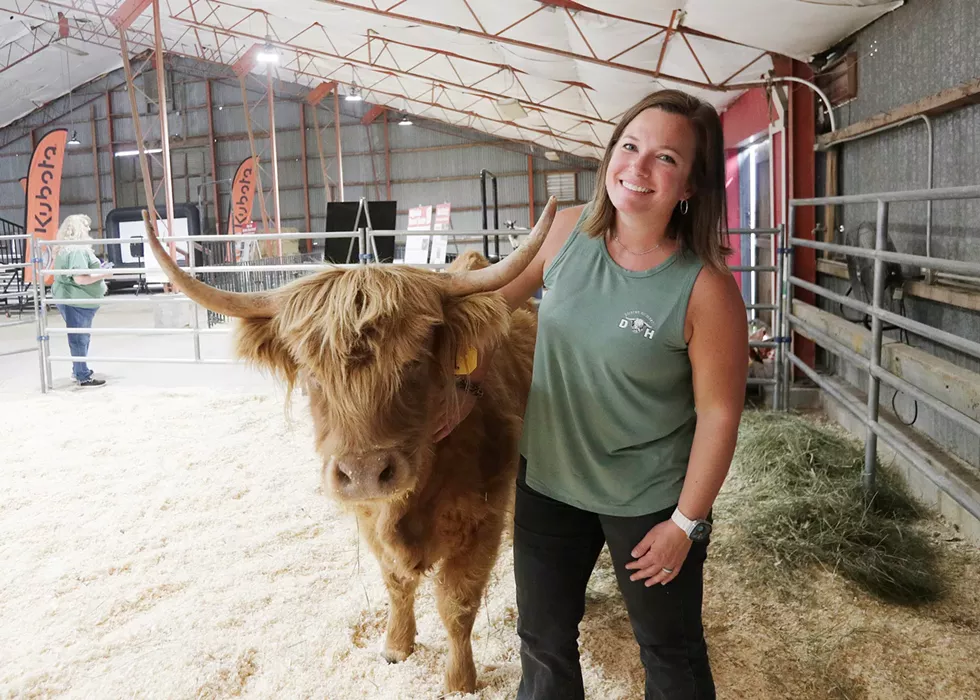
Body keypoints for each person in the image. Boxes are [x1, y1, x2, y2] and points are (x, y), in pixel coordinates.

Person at [435, 89, 748, 699]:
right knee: (543, 644)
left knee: (670, 653)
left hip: (649, 501)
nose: (637, 166)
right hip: (550, 485)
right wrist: (462, 381)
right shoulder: (563, 235)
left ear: (689, 186)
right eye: (629, 146)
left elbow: (719, 414)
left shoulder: (705, 290)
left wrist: (686, 523)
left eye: (665, 158)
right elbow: (486, 312)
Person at [51, 214, 113, 387]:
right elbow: (80, 278)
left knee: (79, 336)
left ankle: (78, 370)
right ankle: (82, 375)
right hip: (76, 300)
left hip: (72, 299)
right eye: (85, 227)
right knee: (79, 338)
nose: (88, 230)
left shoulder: (67, 248)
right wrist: (104, 274)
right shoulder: (77, 249)